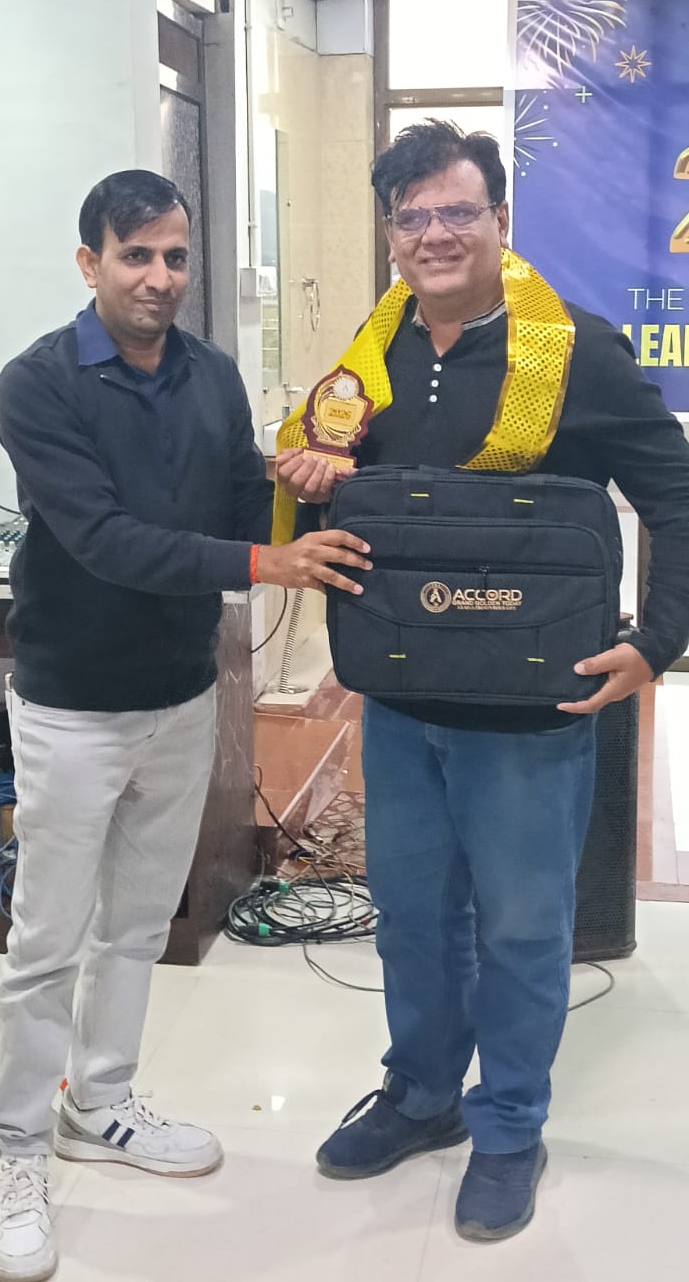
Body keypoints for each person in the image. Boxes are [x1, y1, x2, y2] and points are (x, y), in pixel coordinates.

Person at [275, 119, 689, 1243]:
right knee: (412, 921)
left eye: (457, 210)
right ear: (390, 235)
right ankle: (421, 1095)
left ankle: (507, 1125)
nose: (434, 234)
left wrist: (656, 642)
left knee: (519, 929)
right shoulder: (368, 366)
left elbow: (677, 496)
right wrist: (313, 483)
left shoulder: (576, 351)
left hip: (529, 713)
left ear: (500, 219)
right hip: (403, 701)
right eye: (411, 217)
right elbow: (358, 511)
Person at [0, 169, 371, 1282]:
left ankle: (99, 1102)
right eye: (135, 255)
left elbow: (240, 502)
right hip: (70, 704)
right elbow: (104, 539)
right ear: (90, 263)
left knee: (137, 925)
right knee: (47, 942)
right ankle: (17, 1154)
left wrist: (299, 482)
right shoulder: (38, 384)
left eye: (175, 256)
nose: (159, 277)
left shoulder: (209, 374)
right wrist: (264, 559)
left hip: (180, 694)